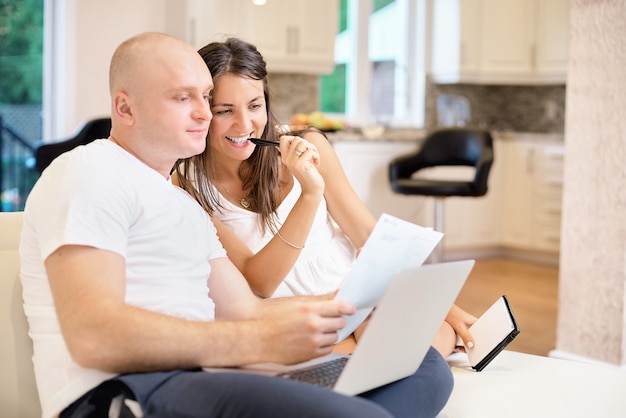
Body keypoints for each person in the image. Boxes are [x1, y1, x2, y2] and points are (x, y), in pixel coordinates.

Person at [19, 32, 452, 418]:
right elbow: (94, 337)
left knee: (425, 369)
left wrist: (351, 304)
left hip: (210, 376)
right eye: (182, 98)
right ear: (125, 107)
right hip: (127, 390)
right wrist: (257, 345)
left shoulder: (183, 206)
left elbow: (249, 310)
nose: (204, 114)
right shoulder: (89, 169)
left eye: (206, 98)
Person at [173, 37, 476, 356]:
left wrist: (446, 307)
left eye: (254, 106)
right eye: (225, 110)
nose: (245, 124)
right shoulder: (188, 186)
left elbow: (372, 238)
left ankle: (379, 352)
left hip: (362, 299)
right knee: (389, 356)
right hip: (296, 317)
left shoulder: (309, 143)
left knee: (433, 337)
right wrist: (310, 194)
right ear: (202, 111)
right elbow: (258, 282)